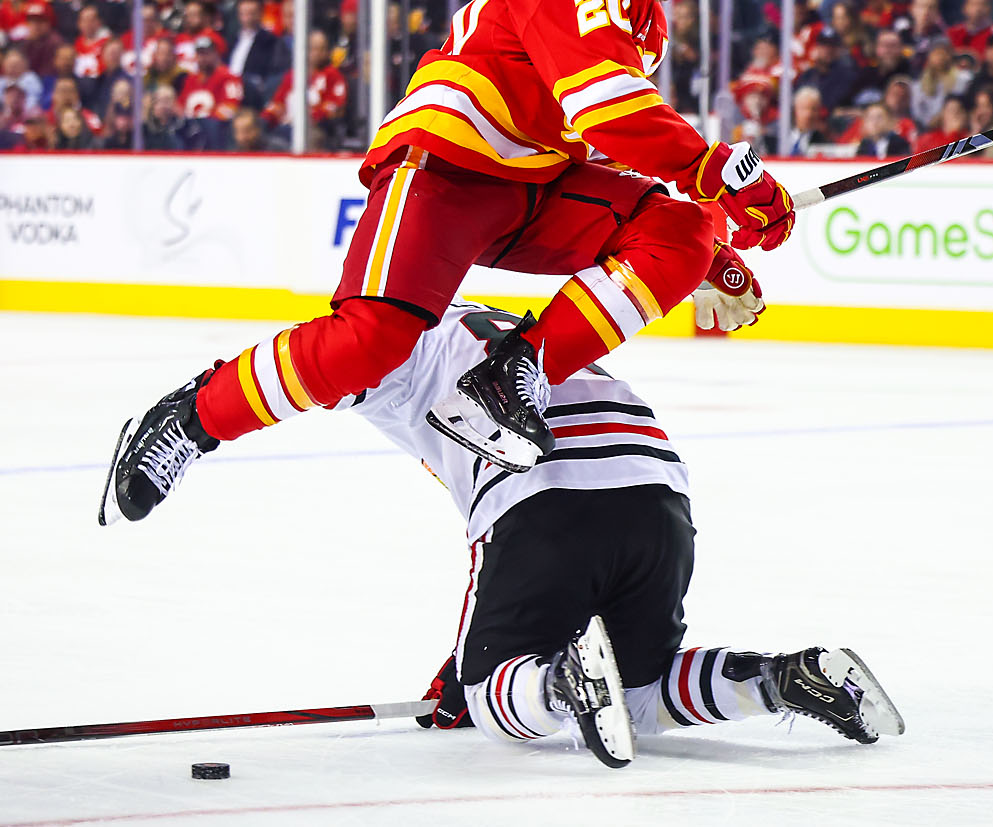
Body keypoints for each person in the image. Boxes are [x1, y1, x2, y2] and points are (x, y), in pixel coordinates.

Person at [101, 0, 796, 525]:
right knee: (370, 343)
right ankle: (193, 417)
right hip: (450, 166)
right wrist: (720, 175)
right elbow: (610, 109)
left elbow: (594, 135)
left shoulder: (642, 11)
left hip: (534, 181)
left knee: (679, 229)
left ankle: (511, 374)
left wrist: (704, 247)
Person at [106, 298, 903, 767]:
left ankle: (558, 683)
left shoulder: (393, 335)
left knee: (493, 700)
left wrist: (473, 674)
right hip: (659, 495)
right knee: (641, 688)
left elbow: (313, 364)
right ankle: (780, 677)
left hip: (545, 502)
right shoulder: (507, 325)